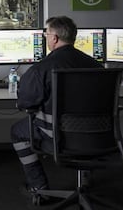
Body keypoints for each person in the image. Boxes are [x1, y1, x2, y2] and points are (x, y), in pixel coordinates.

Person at [10, 16, 103, 200]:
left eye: (46, 34)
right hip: (98, 134)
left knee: (17, 132)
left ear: (54, 38)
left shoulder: (43, 68)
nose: (45, 38)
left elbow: (26, 103)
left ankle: (39, 188)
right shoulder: (96, 66)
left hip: (59, 135)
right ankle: (84, 179)